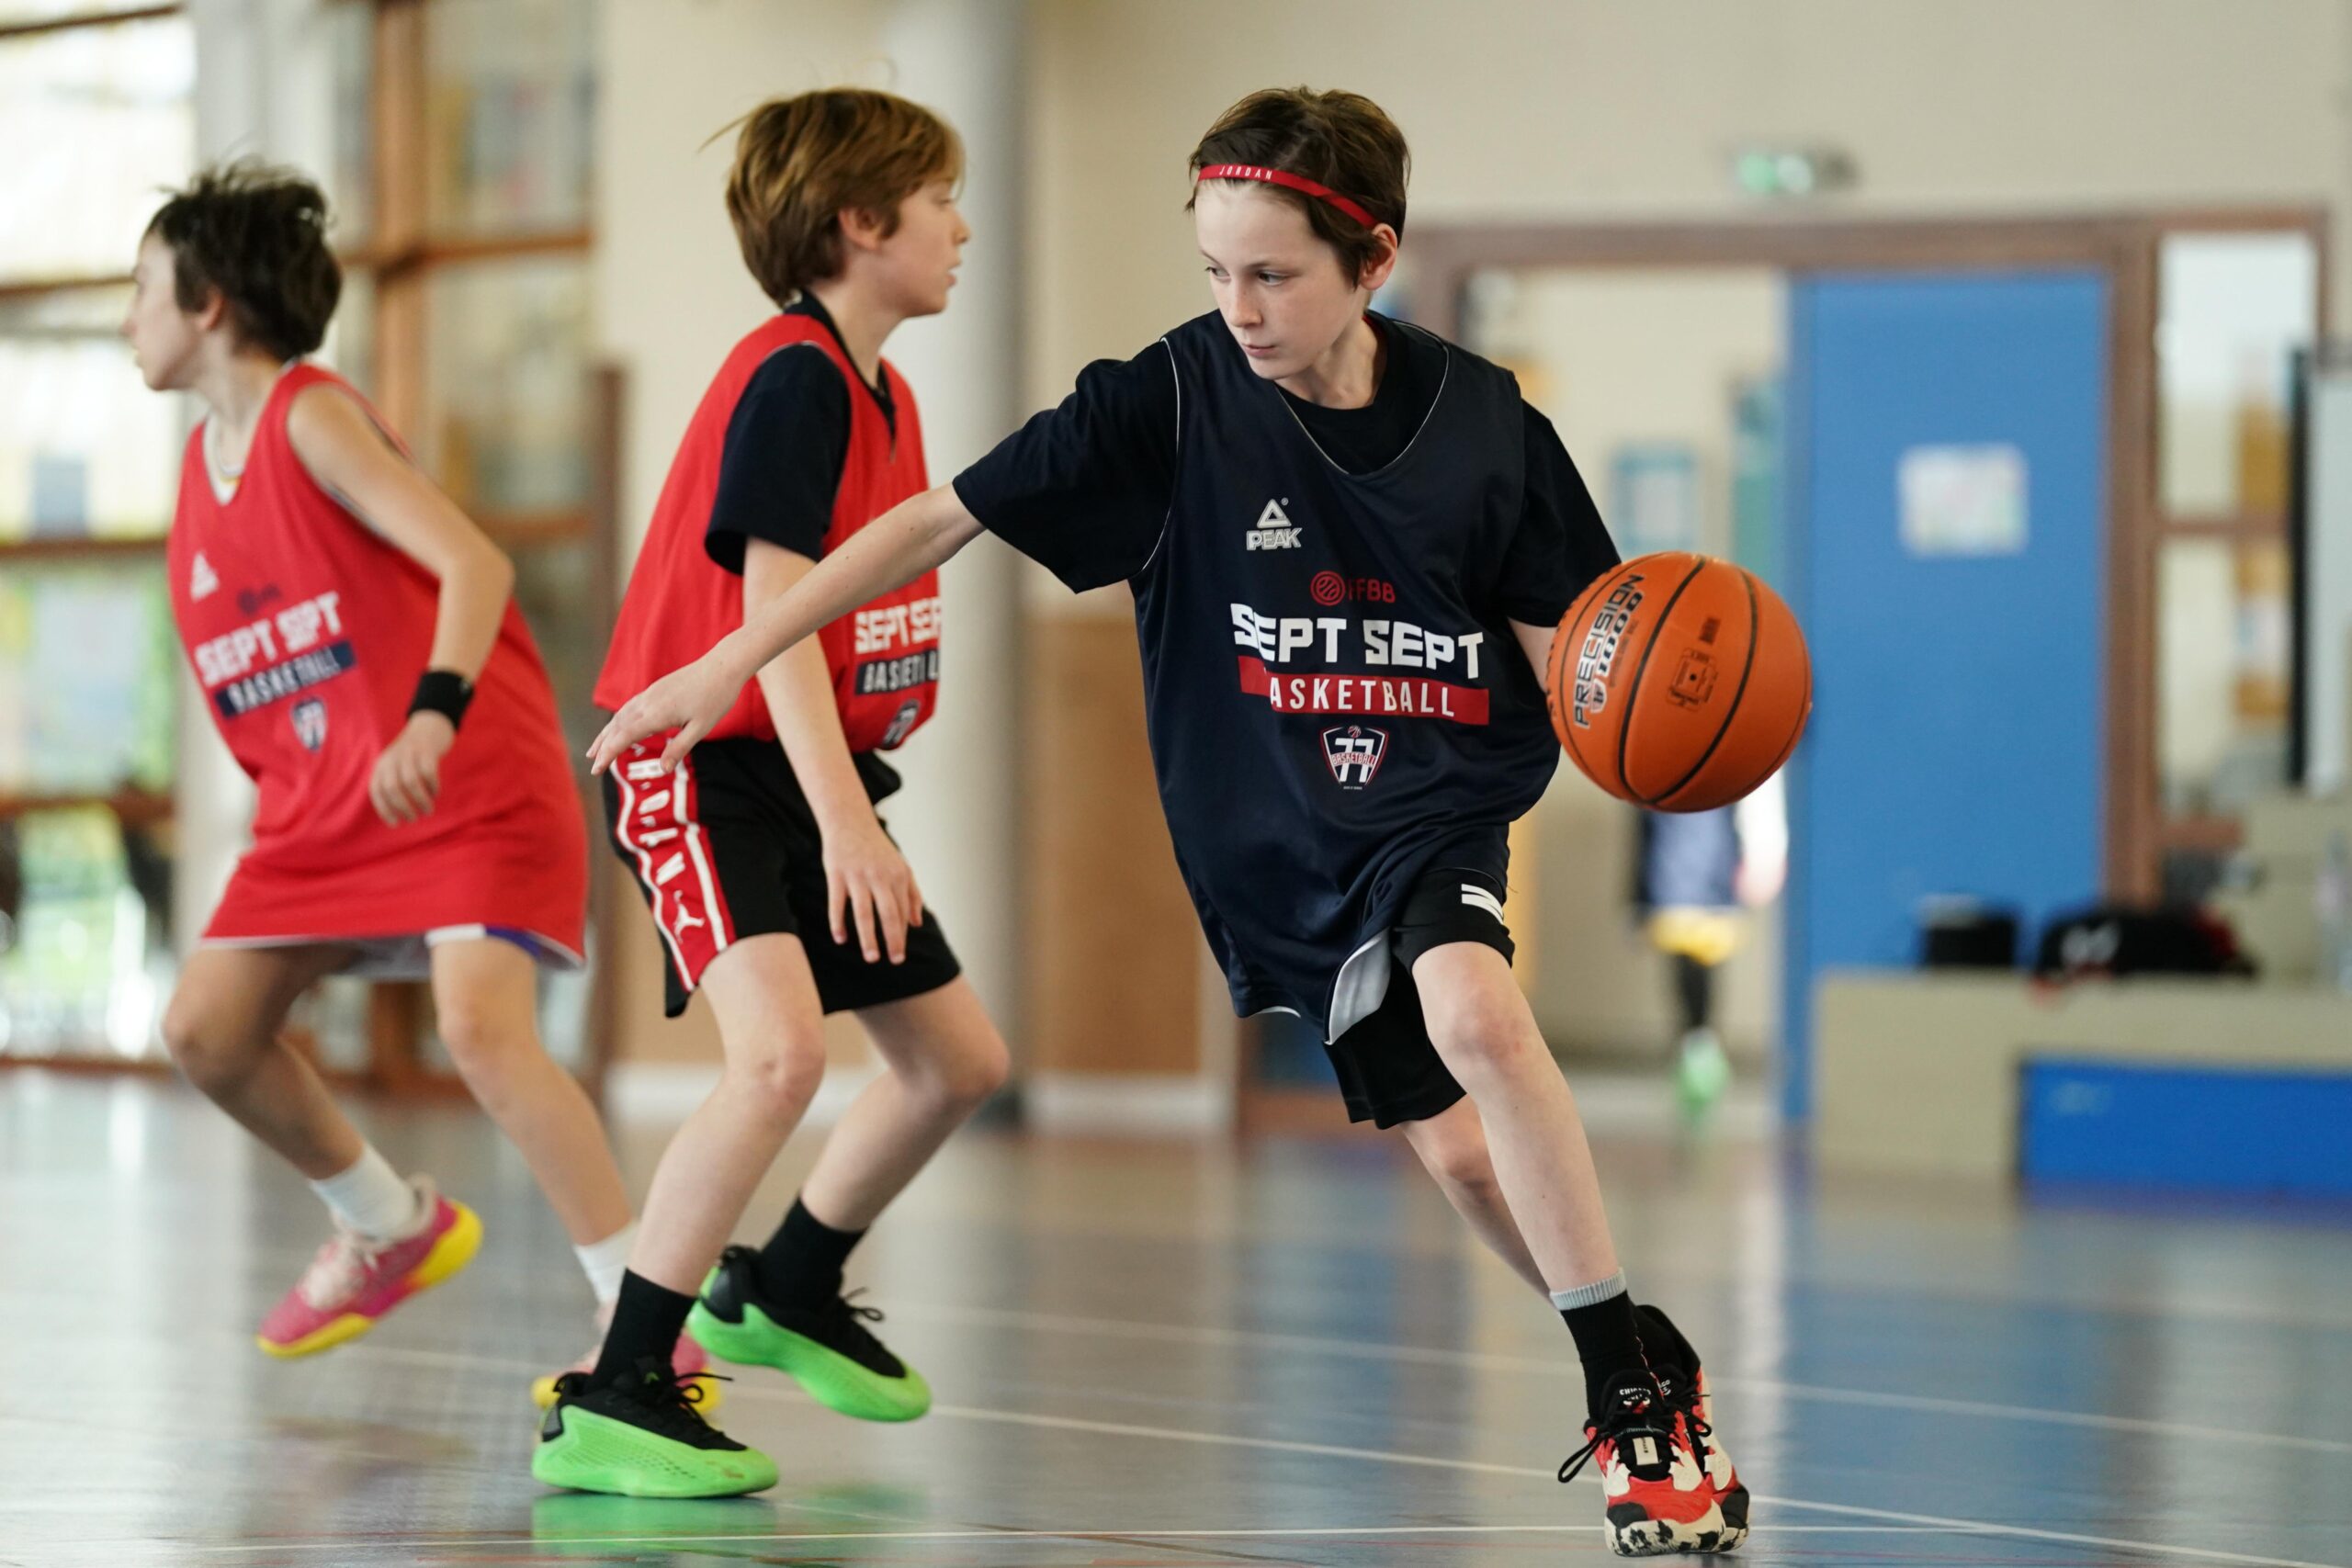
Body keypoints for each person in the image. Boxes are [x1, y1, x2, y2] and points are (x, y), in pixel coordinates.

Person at [587, 87, 1750, 1556]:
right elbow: (936, 521)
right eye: (1216, 271)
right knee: (1463, 1158)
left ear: (1373, 262)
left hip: (1436, 805)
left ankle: (1628, 1397)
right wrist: (729, 661)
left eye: (1274, 274)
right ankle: (1639, 1347)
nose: (1240, 306)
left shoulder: (1487, 427)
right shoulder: (1173, 400)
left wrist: (1659, 735)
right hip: (1284, 848)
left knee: (1476, 1010)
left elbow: (1571, 658)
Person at [131, 164, 704, 1395]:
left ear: (208, 303)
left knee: (482, 1029)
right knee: (207, 1031)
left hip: (461, 775)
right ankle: (387, 1223)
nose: (132, 316)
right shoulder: (199, 469)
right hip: (329, 811)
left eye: (143, 289)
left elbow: (475, 563)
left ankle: (644, 1320)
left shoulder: (307, 417)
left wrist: (431, 717)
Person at [534, 88, 1011, 1500]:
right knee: (778, 1061)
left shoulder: (887, 392)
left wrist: (846, 804)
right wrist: (850, 826)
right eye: (939, 201)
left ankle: (788, 1284)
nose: (961, 227)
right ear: (861, 222)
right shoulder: (796, 375)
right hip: (699, 767)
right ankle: (619, 1389)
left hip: (805, 773)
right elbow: (774, 612)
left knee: (956, 1064)